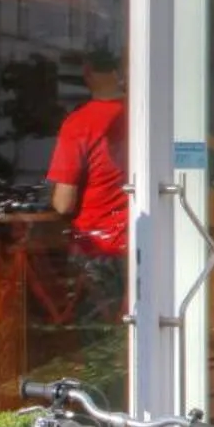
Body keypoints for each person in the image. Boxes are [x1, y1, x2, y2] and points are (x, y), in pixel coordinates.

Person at [45, 45, 129, 398]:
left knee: (96, 340)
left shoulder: (79, 123)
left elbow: (63, 202)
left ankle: (104, 419)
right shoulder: (142, 115)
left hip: (97, 246)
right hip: (138, 241)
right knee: (134, 331)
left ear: (88, 73)